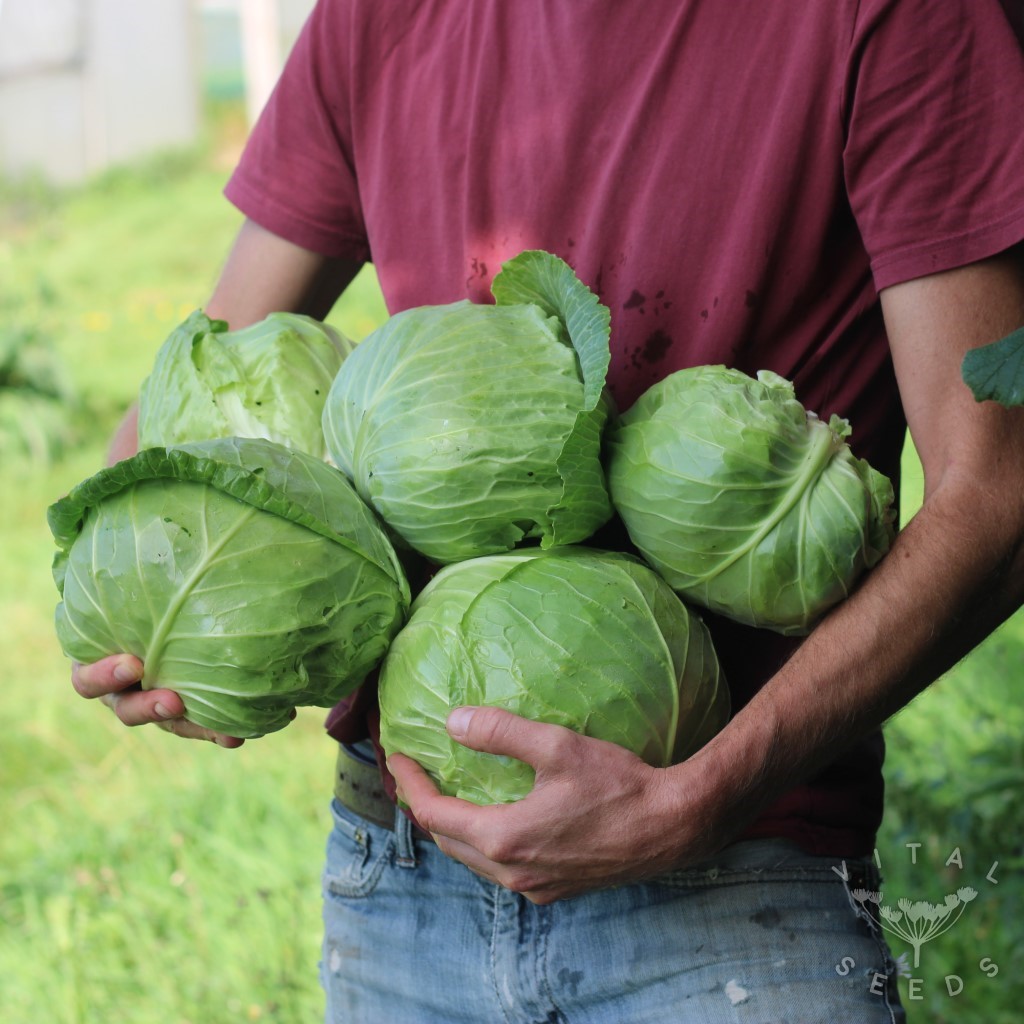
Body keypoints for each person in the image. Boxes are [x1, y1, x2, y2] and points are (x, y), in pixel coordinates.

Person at [72, 0, 1024, 1020]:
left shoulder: (902, 16)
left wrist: (701, 797)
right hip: (401, 869)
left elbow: (999, 488)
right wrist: (158, 601)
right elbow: (205, 376)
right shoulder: (376, 16)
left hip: (738, 871)